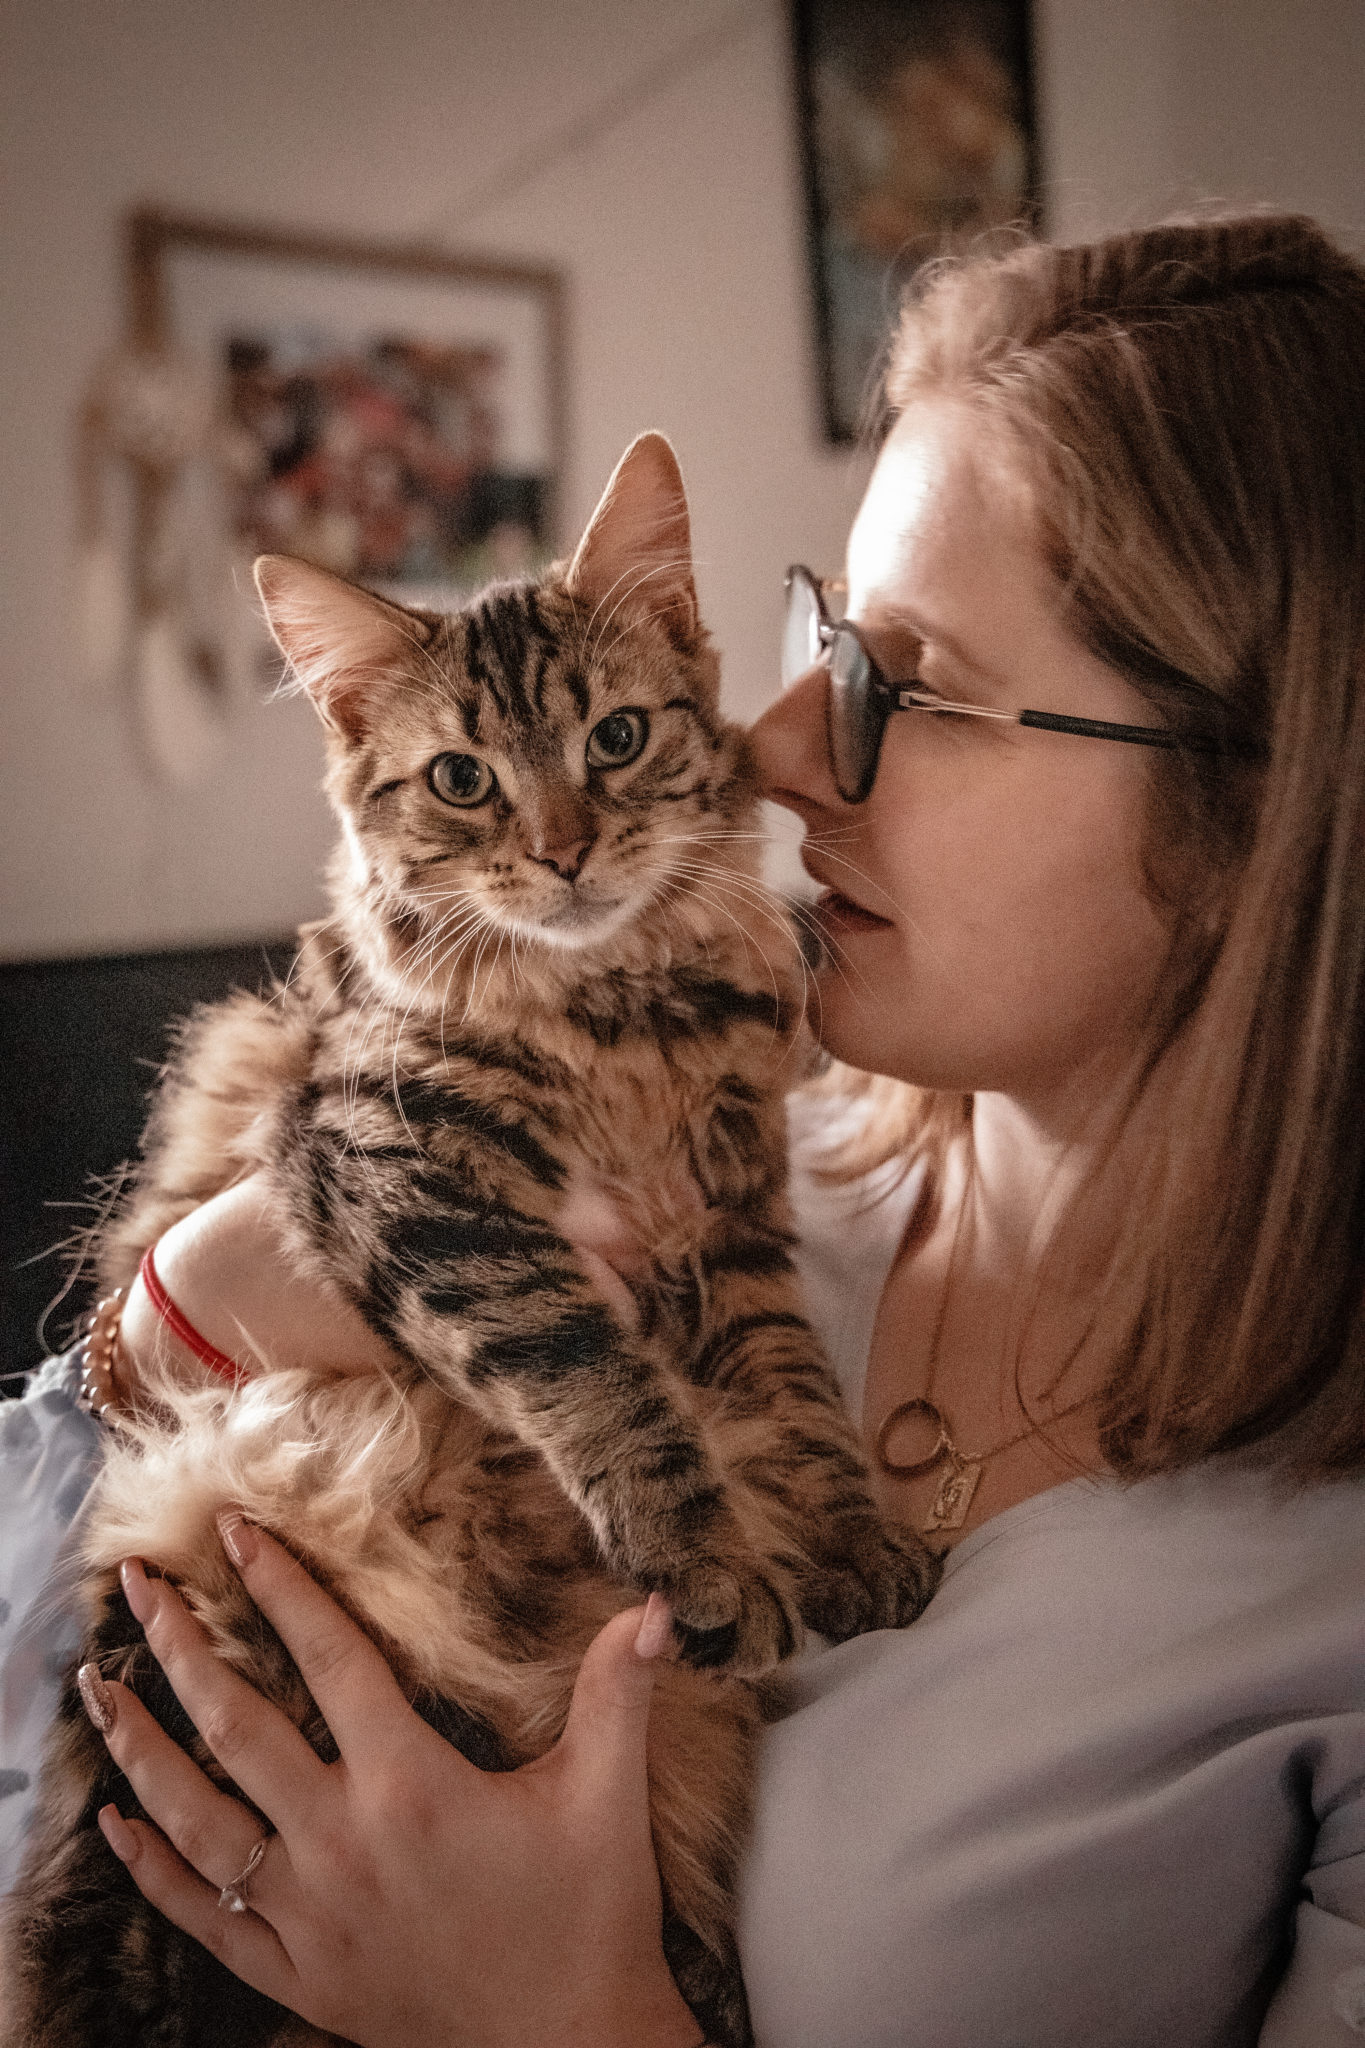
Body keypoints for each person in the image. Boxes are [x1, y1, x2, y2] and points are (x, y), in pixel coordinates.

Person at [4, 209, 1365, 2047]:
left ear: (1254, 807)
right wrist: (163, 1317)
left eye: (915, 685)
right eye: (825, 637)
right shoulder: (703, 1140)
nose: (780, 749)